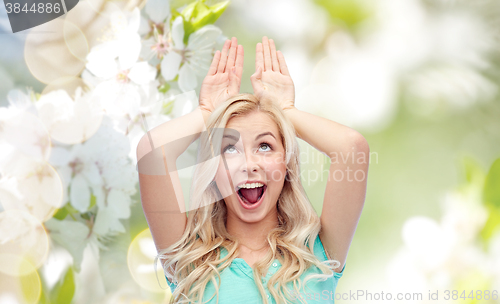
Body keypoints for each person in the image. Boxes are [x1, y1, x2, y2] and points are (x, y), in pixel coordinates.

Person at [136, 36, 369, 304]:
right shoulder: (190, 259)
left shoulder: (319, 253)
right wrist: (207, 112)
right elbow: (152, 153)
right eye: (229, 149)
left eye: (266, 146)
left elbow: (352, 148)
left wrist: (285, 111)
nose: (249, 165)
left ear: (286, 164)